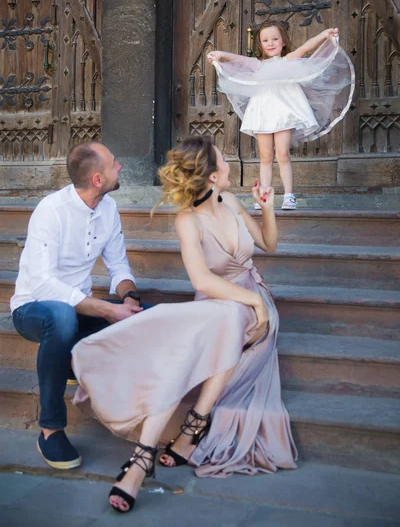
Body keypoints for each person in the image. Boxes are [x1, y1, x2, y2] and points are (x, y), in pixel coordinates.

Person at [71, 136, 298, 514]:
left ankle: (163, 446)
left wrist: (268, 209)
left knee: (226, 320)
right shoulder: (186, 221)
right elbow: (202, 282)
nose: (229, 167)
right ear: (211, 176)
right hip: (219, 305)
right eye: (224, 163)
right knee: (201, 337)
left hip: (253, 309)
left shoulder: (232, 201)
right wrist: (253, 301)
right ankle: (170, 442)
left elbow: (269, 244)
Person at [10, 142, 147, 470]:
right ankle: (50, 429)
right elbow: (43, 285)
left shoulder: (108, 208)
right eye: (115, 164)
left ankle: (143, 414)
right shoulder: (51, 210)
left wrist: (129, 299)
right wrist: (107, 310)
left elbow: (119, 268)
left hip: (78, 309)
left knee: (148, 319)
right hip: (34, 308)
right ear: (98, 179)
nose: (121, 168)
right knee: (61, 317)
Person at [208, 20, 354, 210]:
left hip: (284, 114)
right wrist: (219, 54)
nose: (270, 43)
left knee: (283, 154)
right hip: (262, 113)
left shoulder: (289, 60)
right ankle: (265, 195)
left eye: (275, 39)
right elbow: (238, 59)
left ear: (283, 41)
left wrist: (324, 35)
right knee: (265, 156)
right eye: (265, 40)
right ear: (260, 44)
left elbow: (305, 47)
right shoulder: (258, 65)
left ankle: (289, 195)